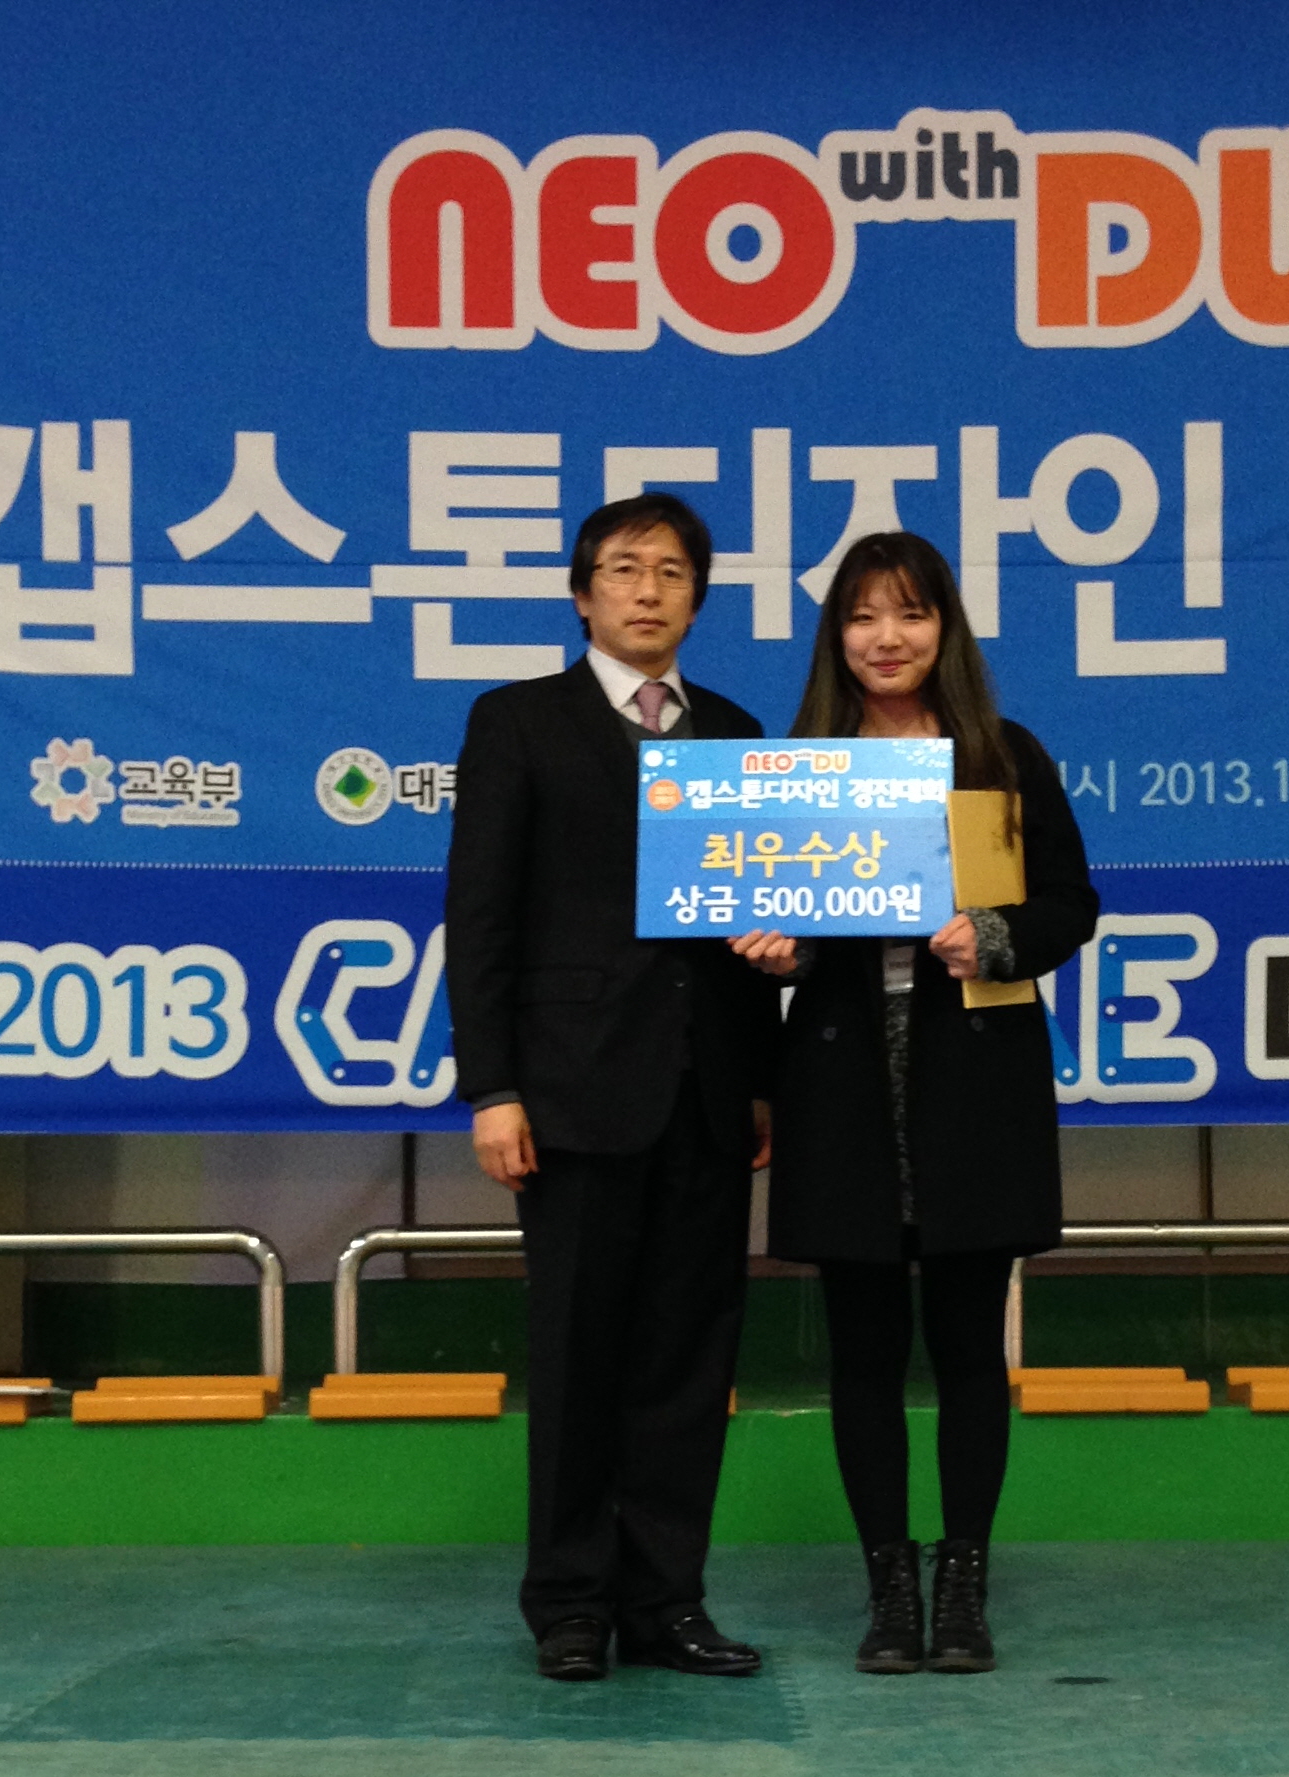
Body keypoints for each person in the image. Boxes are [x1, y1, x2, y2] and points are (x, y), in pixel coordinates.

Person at [730, 532, 1097, 1676]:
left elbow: (1072, 903)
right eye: (862, 616)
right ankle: (888, 1585)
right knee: (863, 1356)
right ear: (834, 636)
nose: (886, 638)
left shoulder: (1001, 754)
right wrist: (777, 952)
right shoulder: (801, 766)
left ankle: (964, 1582)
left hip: (973, 1080)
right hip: (841, 1082)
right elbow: (764, 916)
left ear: (946, 627)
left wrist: (992, 933)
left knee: (971, 1350)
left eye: (910, 613)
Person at [445, 492, 781, 1684]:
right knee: (580, 1356)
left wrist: (759, 1076)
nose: (649, 590)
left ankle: (668, 1599)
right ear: (581, 593)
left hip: (708, 1095)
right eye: (626, 569)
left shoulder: (736, 732)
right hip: (572, 1094)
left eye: (673, 572)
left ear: (699, 597)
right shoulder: (518, 721)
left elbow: (755, 913)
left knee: (689, 1362)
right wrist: (492, 1087)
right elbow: (480, 918)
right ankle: (571, 1603)